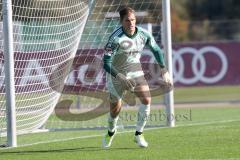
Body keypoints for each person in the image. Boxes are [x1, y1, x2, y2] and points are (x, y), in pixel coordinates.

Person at [102, 7, 172, 148]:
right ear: (121, 21)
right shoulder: (115, 38)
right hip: (116, 74)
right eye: (127, 20)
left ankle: (139, 134)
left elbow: (156, 50)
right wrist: (121, 77)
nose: (131, 23)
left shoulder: (143, 34)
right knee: (115, 110)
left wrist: (164, 69)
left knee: (146, 99)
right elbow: (106, 63)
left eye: (133, 19)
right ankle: (111, 131)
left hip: (136, 72)